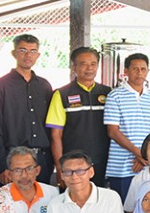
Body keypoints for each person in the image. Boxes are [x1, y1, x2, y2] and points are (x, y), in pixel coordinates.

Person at [0, 34, 53, 189]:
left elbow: (50, 125)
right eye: (22, 50)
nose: (28, 55)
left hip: (41, 160)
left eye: (33, 51)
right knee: (10, 209)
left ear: (38, 55)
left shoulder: (44, 86)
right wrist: (3, 165)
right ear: (14, 53)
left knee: (41, 209)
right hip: (12, 161)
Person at [46, 47, 111, 188]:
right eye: (83, 64)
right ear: (74, 67)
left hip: (102, 161)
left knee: (100, 203)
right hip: (73, 166)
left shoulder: (108, 93)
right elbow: (55, 135)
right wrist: (60, 168)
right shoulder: (61, 94)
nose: (89, 68)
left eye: (93, 64)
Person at [104, 53, 150, 202]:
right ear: (126, 71)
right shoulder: (115, 96)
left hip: (147, 166)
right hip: (122, 167)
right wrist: (139, 153)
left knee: (147, 208)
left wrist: (144, 155)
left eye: (143, 69)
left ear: (148, 71)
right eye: (135, 69)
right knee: (125, 211)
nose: (139, 72)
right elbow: (113, 131)